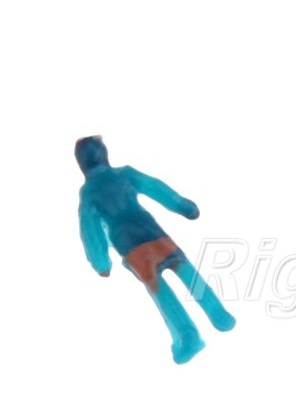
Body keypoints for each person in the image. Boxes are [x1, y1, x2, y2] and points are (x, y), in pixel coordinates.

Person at [75, 135, 235, 364]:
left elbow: (90, 230)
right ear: (104, 153)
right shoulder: (124, 174)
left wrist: (101, 263)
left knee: (160, 290)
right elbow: (157, 188)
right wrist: (184, 206)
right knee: (186, 270)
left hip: (129, 245)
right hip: (153, 232)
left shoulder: (89, 193)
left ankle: (188, 335)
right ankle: (218, 313)